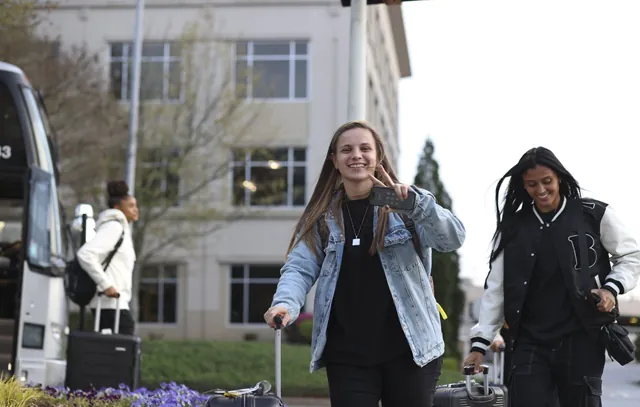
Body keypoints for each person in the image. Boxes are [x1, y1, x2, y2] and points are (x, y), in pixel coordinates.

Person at [263, 121, 466, 407]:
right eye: (346, 149)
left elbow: (452, 239)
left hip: (411, 350)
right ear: (334, 160)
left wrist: (414, 204)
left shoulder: (406, 206)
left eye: (364, 148)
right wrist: (285, 304)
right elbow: (299, 268)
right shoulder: (323, 218)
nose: (356, 155)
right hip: (347, 355)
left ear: (378, 156)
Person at [464, 147, 640, 407]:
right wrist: (480, 345)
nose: (541, 190)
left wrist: (611, 289)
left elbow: (631, 256)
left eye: (547, 181)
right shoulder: (512, 228)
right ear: (523, 186)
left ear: (559, 178)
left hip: (582, 340)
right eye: (531, 184)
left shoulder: (593, 214)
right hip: (529, 342)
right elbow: (497, 288)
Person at [77, 180, 139, 335]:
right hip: (109, 304)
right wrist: (106, 285)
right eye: (131, 206)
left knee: (118, 352)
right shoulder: (114, 227)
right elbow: (85, 254)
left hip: (115, 303)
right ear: (118, 207)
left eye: (136, 205)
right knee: (122, 351)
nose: (136, 210)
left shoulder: (121, 228)